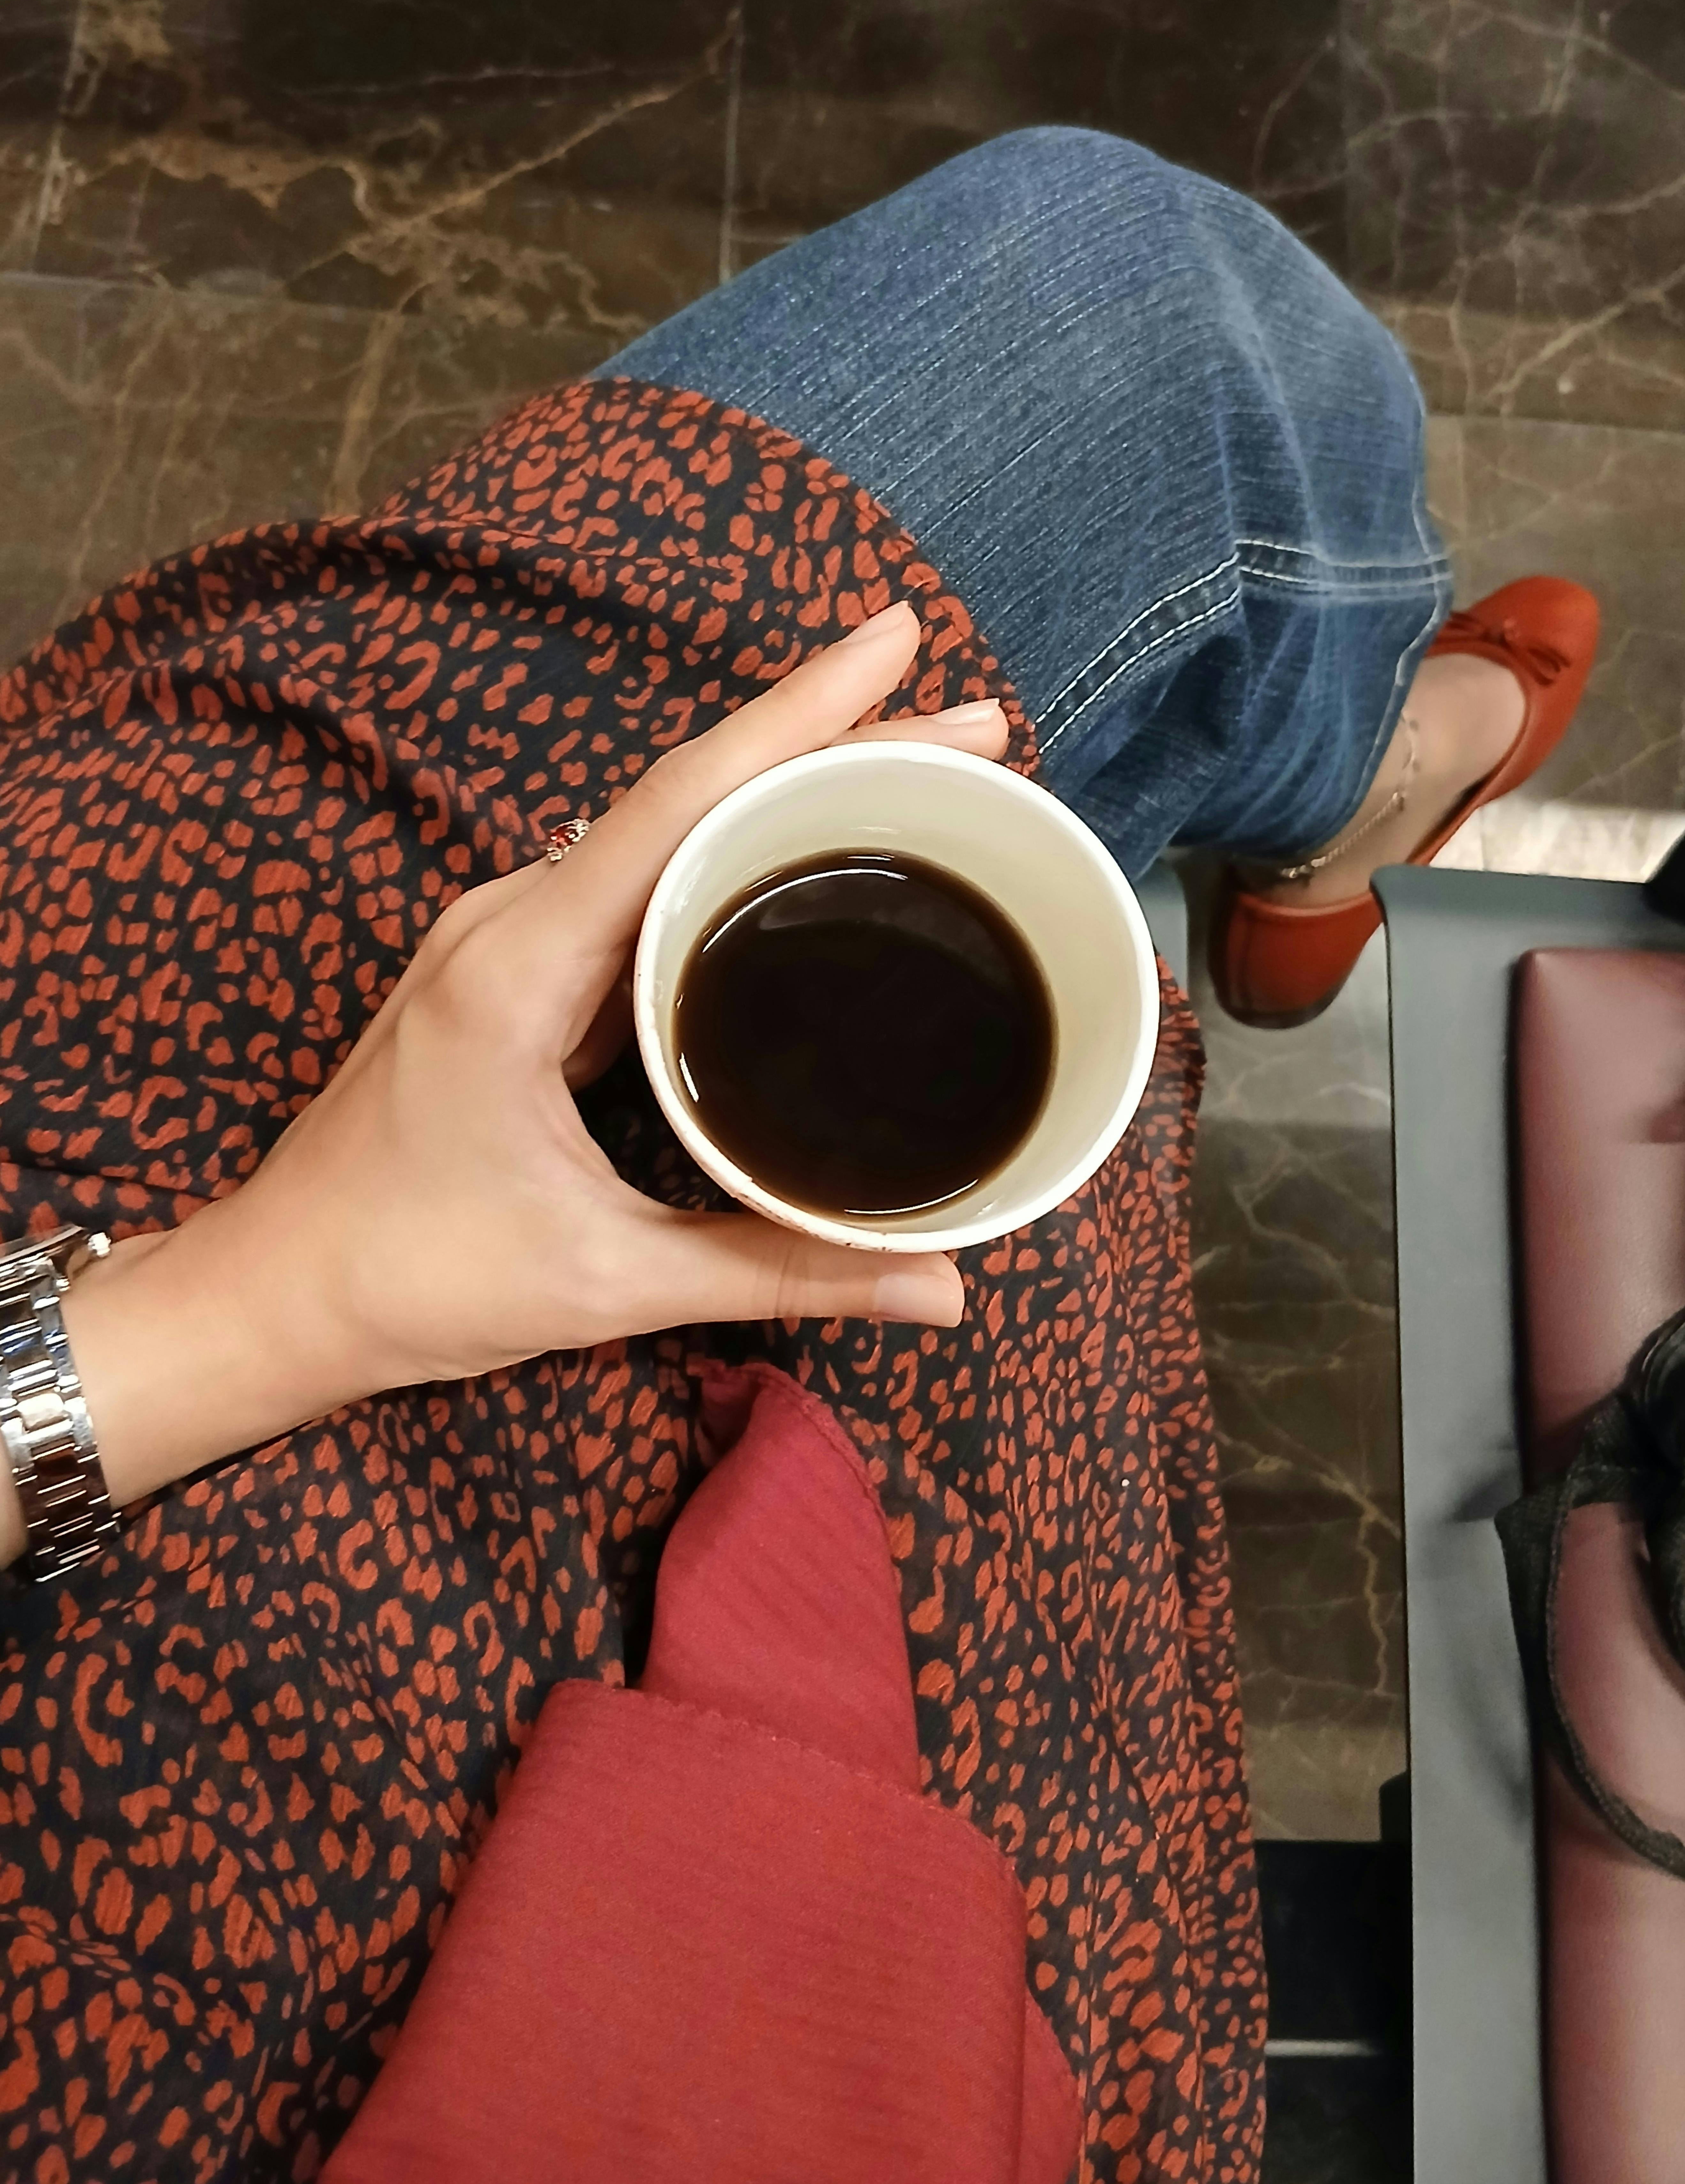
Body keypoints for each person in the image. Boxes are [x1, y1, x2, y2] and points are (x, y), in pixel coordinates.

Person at [0, 127, 1595, 2183]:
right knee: (1150, 330)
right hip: (418, 1891)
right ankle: (1354, 810)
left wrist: (250, 1305)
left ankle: (1321, 810)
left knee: (1082, 445)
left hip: (125, 1338)